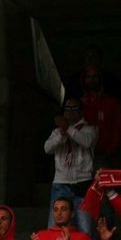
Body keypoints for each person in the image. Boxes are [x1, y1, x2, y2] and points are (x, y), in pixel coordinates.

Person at [43, 97, 97, 232]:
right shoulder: (57, 132)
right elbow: (47, 148)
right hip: (60, 183)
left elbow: (86, 142)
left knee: (84, 228)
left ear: (81, 112)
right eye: (67, 109)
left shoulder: (89, 129)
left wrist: (68, 128)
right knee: (54, 227)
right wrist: (62, 134)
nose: (70, 112)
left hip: (83, 182)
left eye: (74, 109)